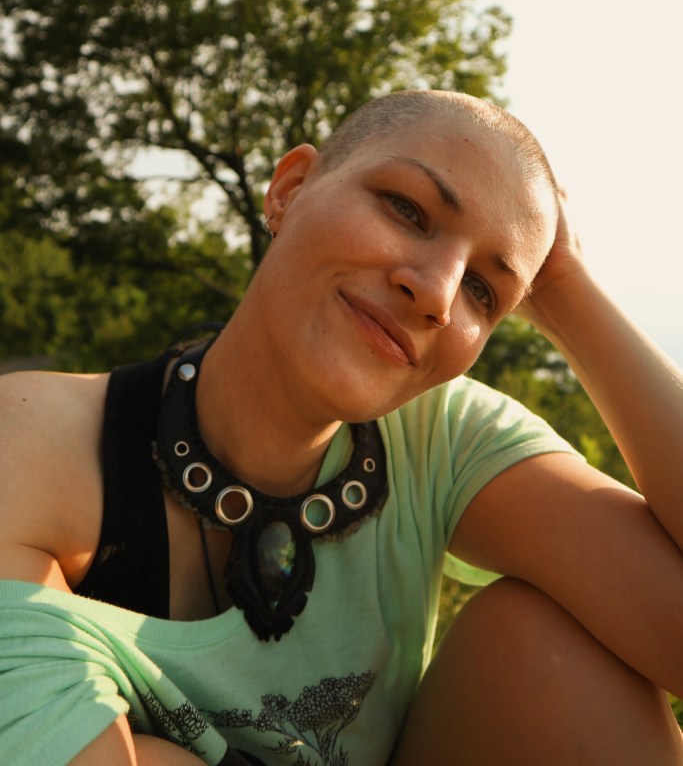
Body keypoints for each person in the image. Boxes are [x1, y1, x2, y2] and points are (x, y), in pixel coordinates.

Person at [1, 88, 682, 766]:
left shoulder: (440, 439)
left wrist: (565, 287)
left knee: (549, 646)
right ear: (289, 189)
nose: (439, 294)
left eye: (483, 290)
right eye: (407, 209)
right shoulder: (31, 447)